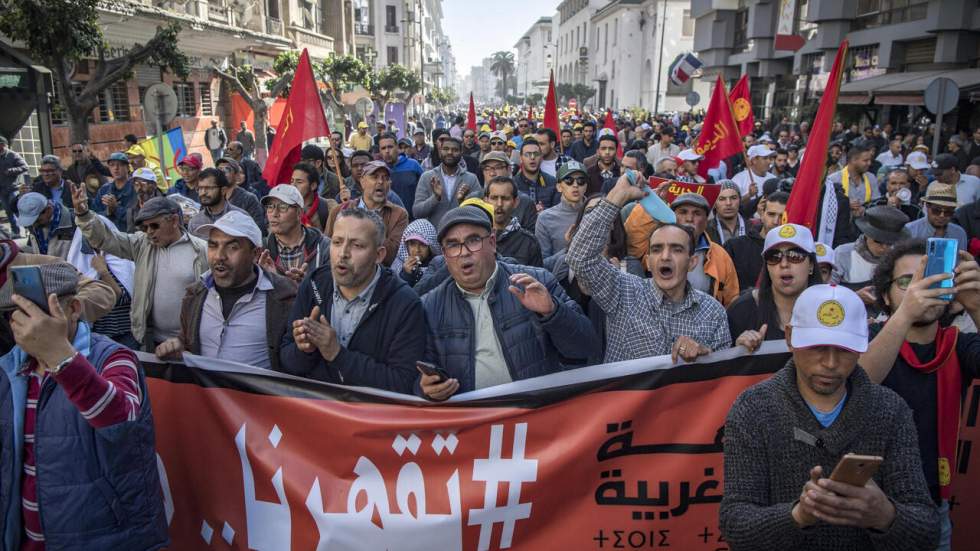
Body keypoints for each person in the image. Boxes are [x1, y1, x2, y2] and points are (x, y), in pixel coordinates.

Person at [719, 283, 939, 550]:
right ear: (790, 337)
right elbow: (735, 524)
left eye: (844, 349)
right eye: (817, 347)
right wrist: (798, 515)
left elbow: (927, 529)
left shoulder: (890, 410)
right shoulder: (753, 409)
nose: (831, 363)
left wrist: (885, 515)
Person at [0, 261, 168, 550]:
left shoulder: (114, 358)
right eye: (21, 311)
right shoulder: (12, 368)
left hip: (104, 539)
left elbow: (122, 422)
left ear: (74, 308)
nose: (31, 322)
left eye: (41, 310)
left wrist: (61, 359)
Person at [862, 240, 980, 549]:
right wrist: (905, 314)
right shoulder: (868, 339)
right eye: (907, 281)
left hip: (933, 505)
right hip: (868, 503)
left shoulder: (959, 344)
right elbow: (858, 383)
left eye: (932, 277)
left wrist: (977, 305)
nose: (921, 287)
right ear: (885, 295)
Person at [417, 205, 599, 400]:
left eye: (473, 240)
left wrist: (553, 312)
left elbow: (586, 347)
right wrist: (426, 389)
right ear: (444, 255)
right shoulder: (429, 306)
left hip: (536, 416)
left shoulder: (537, 282)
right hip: (472, 423)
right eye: (453, 245)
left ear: (493, 242)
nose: (464, 252)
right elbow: (416, 379)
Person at [566, 174, 731, 362]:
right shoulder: (623, 292)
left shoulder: (713, 313)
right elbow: (579, 258)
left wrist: (704, 356)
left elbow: (721, 379)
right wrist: (616, 198)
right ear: (648, 260)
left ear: (692, 262)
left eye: (676, 249)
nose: (665, 256)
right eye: (657, 249)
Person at [279, 208, 426, 393]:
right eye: (337, 242)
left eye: (357, 245)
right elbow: (286, 360)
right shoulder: (315, 283)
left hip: (370, 418)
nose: (343, 254)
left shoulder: (404, 303)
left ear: (379, 255)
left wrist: (338, 354)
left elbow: (403, 383)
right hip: (316, 411)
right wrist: (304, 350)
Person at [155, 211, 297, 371]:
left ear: (255, 254)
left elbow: (296, 363)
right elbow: (187, 342)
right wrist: (177, 346)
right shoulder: (194, 295)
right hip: (203, 396)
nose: (219, 256)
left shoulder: (284, 297)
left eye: (232, 247)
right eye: (213, 245)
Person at [73, 187, 208, 350]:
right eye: (145, 228)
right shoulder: (142, 244)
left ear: (174, 221)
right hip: (151, 340)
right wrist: (84, 215)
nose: (149, 232)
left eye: (154, 225)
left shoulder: (201, 250)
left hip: (192, 341)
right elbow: (107, 239)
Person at [727, 223, 822, 352]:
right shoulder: (741, 310)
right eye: (774, 257)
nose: (784, 264)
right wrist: (738, 353)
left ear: (811, 265)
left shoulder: (828, 308)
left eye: (794, 256)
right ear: (766, 266)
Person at [326, 160, 408, 267]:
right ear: (362, 181)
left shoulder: (399, 215)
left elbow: (391, 253)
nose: (380, 182)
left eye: (385, 178)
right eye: (375, 177)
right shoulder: (339, 211)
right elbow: (327, 248)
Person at [671, 193, 740, 307]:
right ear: (672, 216)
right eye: (683, 212)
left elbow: (731, 301)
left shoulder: (720, 255)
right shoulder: (658, 247)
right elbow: (636, 245)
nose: (689, 219)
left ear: (706, 221)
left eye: (697, 213)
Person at [259, 184, 330, 283]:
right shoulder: (261, 251)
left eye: (283, 207)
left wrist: (308, 285)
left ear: (299, 213)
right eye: (270, 207)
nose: (274, 214)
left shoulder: (324, 247)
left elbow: (332, 291)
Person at [836, 206, 909, 298]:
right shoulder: (843, 254)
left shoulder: (900, 258)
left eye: (890, 243)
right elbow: (828, 293)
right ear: (867, 234)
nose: (884, 248)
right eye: (878, 241)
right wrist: (855, 297)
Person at [413, 136, 482, 227]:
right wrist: (436, 197)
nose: (450, 152)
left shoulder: (471, 179)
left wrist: (463, 201)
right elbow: (417, 212)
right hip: (435, 237)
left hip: (462, 236)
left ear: (461, 153)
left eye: (455, 150)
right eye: (446, 149)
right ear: (440, 151)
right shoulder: (427, 177)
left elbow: (479, 212)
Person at [536, 161, 587, 260]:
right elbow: (542, 264)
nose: (575, 185)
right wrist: (569, 249)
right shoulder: (545, 218)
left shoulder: (597, 213)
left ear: (586, 186)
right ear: (559, 187)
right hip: (560, 274)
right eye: (569, 180)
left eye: (581, 180)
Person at [481, 151, 538, 232]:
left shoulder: (525, 202)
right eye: (487, 168)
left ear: (509, 169)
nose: (492, 173)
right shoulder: (474, 199)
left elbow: (529, 239)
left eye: (497, 167)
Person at [905, 182, 969, 251]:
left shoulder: (959, 233)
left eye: (948, 212)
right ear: (927, 206)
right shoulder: (910, 231)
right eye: (936, 210)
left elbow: (961, 260)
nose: (942, 215)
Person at [187, 167, 248, 234]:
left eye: (208, 188)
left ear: (223, 190)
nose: (203, 193)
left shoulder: (241, 217)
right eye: (200, 188)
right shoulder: (195, 222)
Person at [826, 144, 879, 220]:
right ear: (853, 160)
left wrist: (864, 209)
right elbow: (827, 205)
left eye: (870, 160)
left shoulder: (871, 178)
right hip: (842, 224)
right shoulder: (833, 179)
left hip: (866, 224)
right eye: (865, 160)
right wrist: (845, 205)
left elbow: (876, 202)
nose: (869, 163)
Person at [214, 158, 266, 233]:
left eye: (227, 169)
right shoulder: (214, 197)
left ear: (236, 175)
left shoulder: (248, 198)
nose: (222, 172)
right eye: (219, 170)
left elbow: (259, 229)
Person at [17, 191, 75, 259]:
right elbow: (34, 249)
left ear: (48, 210)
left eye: (37, 221)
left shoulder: (74, 222)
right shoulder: (35, 225)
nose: (34, 225)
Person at [91, 152, 137, 231]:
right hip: (108, 236)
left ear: (128, 168)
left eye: (120, 165)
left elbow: (136, 217)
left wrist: (116, 208)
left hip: (130, 236)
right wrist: (108, 212)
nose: (116, 168)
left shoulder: (135, 189)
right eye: (112, 165)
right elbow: (94, 215)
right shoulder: (104, 190)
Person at [378, 133, 423, 211]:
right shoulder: (378, 169)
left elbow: (425, 189)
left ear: (397, 148)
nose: (387, 151)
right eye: (383, 148)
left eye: (390, 147)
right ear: (380, 151)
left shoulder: (413, 165)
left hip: (413, 217)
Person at [391, 218, 442, 286]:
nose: (417, 250)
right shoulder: (398, 265)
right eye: (412, 244)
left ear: (430, 247)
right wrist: (405, 275)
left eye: (423, 245)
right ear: (406, 245)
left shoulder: (437, 266)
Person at [285, 162, 332, 233]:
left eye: (299, 182)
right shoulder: (285, 208)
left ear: (313, 186)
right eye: (292, 181)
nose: (293, 186)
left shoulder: (328, 206)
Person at [513, 139, 559, 211]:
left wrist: (545, 212)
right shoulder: (512, 184)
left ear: (541, 157)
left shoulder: (552, 182)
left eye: (536, 154)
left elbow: (558, 211)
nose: (532, 157)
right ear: (521, 158)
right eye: (527, 154)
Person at [0, 136, 28, 236]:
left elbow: (25, 167)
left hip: (13, 188)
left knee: (17, 210)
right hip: (2, 190)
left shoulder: (13, 155)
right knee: (8, 211)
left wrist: (11, 171)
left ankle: (28, 229)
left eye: (1, 145)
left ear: (4, 145)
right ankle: (16, 232)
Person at [124, 168, 163, 233]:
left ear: (154, 185)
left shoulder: (164, 205)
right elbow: (131, 233)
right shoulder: (131, 207)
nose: (139, 188)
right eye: (136, 184)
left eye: (143, 184)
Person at [707, 181, 746, 245]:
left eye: (733, 198)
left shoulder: (752, 228)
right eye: (722, 199)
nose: (728, 203)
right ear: (714, 203)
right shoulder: (705, 230)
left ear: (740, 200)